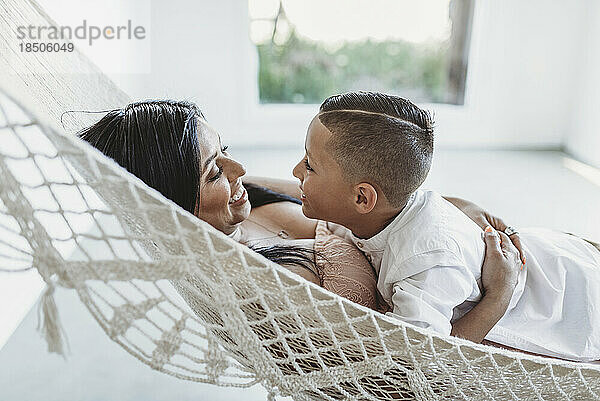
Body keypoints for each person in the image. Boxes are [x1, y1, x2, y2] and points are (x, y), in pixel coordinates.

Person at [78, 99, 521, 345]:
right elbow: (404, 371)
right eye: (213, 170)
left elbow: (366, 192)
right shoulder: (255, 278)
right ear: (170, 204)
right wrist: (498, 294)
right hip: (482, 308)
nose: (238, 169)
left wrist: (450, 208)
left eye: (225, 149)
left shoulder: (243, 196)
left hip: (473, 253)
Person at [285, 91, 600, 362]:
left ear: (363, 197)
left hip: (575, 301)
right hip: (555, 260)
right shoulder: (386, 208)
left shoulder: (424, 262)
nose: (296, 170)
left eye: (309, 164)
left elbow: (425, 361)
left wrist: (498, 296)